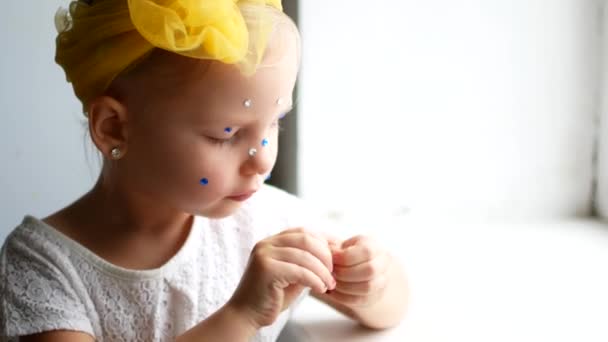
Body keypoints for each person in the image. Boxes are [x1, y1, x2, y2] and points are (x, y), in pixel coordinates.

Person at [0, 0, 409, 341]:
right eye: (224, 134)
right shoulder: (42, 267)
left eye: (274, 124)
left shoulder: (264, 221)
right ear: (114, 127)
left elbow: (392, 309)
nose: (263, 158)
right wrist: (242, 316)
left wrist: (371, 283)